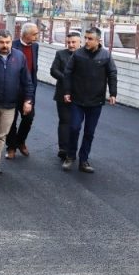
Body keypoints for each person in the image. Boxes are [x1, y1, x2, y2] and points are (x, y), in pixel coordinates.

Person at [62, 26, 118, 173]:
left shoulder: (106, 56)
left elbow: (112, 74)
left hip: (96, 101)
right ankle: (70, 156)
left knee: (89, 132)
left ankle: (84, 160)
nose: (86, 41)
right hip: (77, 100)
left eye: (90, 39)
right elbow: (68, 73)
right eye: (85, 38)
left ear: (98, 40)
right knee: (74, 128)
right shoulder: (78, 54)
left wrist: (113, 93)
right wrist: (67, 91)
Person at [0, 29, 33, 178]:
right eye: (1, 42)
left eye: (7, 42)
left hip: (11, 103)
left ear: (12, 42)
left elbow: (27, 81)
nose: (5, 45)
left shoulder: (19, 56)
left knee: (2, 134)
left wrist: (28, 100)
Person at [5, 22, 39, 159]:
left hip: (28, 90)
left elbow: (32, 68)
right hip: (12, 91)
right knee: (11, 121)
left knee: (28, 118)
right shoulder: (11, 45)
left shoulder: (36, 47)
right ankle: (11, 147)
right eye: (34, 34)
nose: (37, 36)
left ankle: (20, 141)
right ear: (25, 35)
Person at [49, 30, 82, 160]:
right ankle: (63, 148)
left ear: (80, 42)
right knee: (64, 121)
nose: (71, 44)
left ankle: (72, 148)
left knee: (75, 124)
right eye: (68, 42)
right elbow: (53, 70)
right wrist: (66, 78)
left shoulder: (85, 55)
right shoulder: (60, 54)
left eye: (74, 42)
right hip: (62, 93)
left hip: (80, 94)